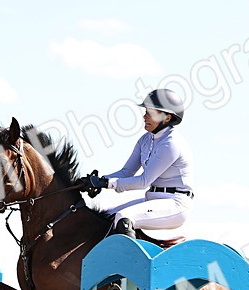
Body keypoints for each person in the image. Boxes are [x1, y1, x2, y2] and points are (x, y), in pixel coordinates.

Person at [80, 88, 193, 238]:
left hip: (175, 204)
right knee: (105, 217)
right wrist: (99, 180)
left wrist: (108, 184)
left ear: (167, 118)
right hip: (152, 199)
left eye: (150, 113)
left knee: (123, 219)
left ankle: (131, 261)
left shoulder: (171, 143)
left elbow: (143, 181)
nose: (144, 116)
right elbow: (126, 172)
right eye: (146, 111)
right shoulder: (145, 140)